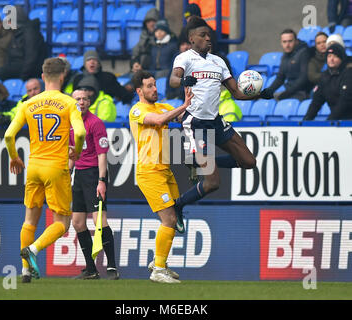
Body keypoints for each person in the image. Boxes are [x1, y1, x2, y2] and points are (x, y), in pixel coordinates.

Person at [169, 16, 270, 233]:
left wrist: (260, 94)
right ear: (191, 38)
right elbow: (173, 79)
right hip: (195, 123)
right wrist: (184, 80)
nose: (208, 39)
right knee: (213, 182)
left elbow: (236, 93)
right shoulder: (185, 58)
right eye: (203, 35)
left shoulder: (219, 62)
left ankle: (200, 160)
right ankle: (178, 205)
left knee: (248, 161)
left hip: (215, 121)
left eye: (209, 35)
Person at [4, 57, 86, 283]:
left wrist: (14, 157)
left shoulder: (28, 103)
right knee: (62, 223)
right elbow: (79, 133)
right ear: (63, 77)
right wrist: (76, 152)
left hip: (34, 167)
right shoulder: (69, 103)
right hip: (56, 167)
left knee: (29, 220)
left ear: (42, 77)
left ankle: (25, 270)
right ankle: (34, 249)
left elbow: (9, 135)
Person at [129, 70, 194, 283]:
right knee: (169, 219)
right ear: (139, 91)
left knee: (172, 219)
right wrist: (182, 106)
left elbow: (184, 114)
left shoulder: (163, 106)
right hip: (148, 172)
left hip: (164, 171)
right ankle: (158, 269)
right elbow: (158, 121)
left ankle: (159, 261)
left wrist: (192, 102)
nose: (155, 89)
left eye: (155, 84)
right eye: (149, 86)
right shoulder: (137, 110)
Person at [69, 89, 119, 280]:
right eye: (78, 99)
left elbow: (102, 155)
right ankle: (91, 269)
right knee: (78, 222)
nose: (81, 102)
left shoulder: (95, 123)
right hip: (80, 176)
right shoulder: (71, 123)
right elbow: (73, 154)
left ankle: (112, 268)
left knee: (100, 221)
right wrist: (67, 173)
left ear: (89, 102)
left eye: (84, 99)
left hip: (93, 174)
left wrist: (101, 181)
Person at [0, 6, 47, 81]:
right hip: (20, 67)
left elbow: (31, 58)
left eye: (9, 20)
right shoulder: (17, 32)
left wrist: (24, 77)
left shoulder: (30, 33)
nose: (7, 23)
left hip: (30, 71)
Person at [303, 43, 352, 120]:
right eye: (329, 56)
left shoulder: (349, 73)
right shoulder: (325, 77)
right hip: (336, 121)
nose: (331, 59)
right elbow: (316, 102)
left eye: (335, 56)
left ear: (341, 59)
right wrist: (306, 120)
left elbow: (345, 101)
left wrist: (330, 121)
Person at [261, 29, 312, 101]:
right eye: (284, 42)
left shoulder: (304, 53)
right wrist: (268, 91)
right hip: (290, 92)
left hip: (303, 92)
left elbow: (304, 78)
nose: (287, 45)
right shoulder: (285, 56)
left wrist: (286, 93)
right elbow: (280, 78)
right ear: (281, 43)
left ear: (296, 41)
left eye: (290, 41)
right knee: (263, 100)